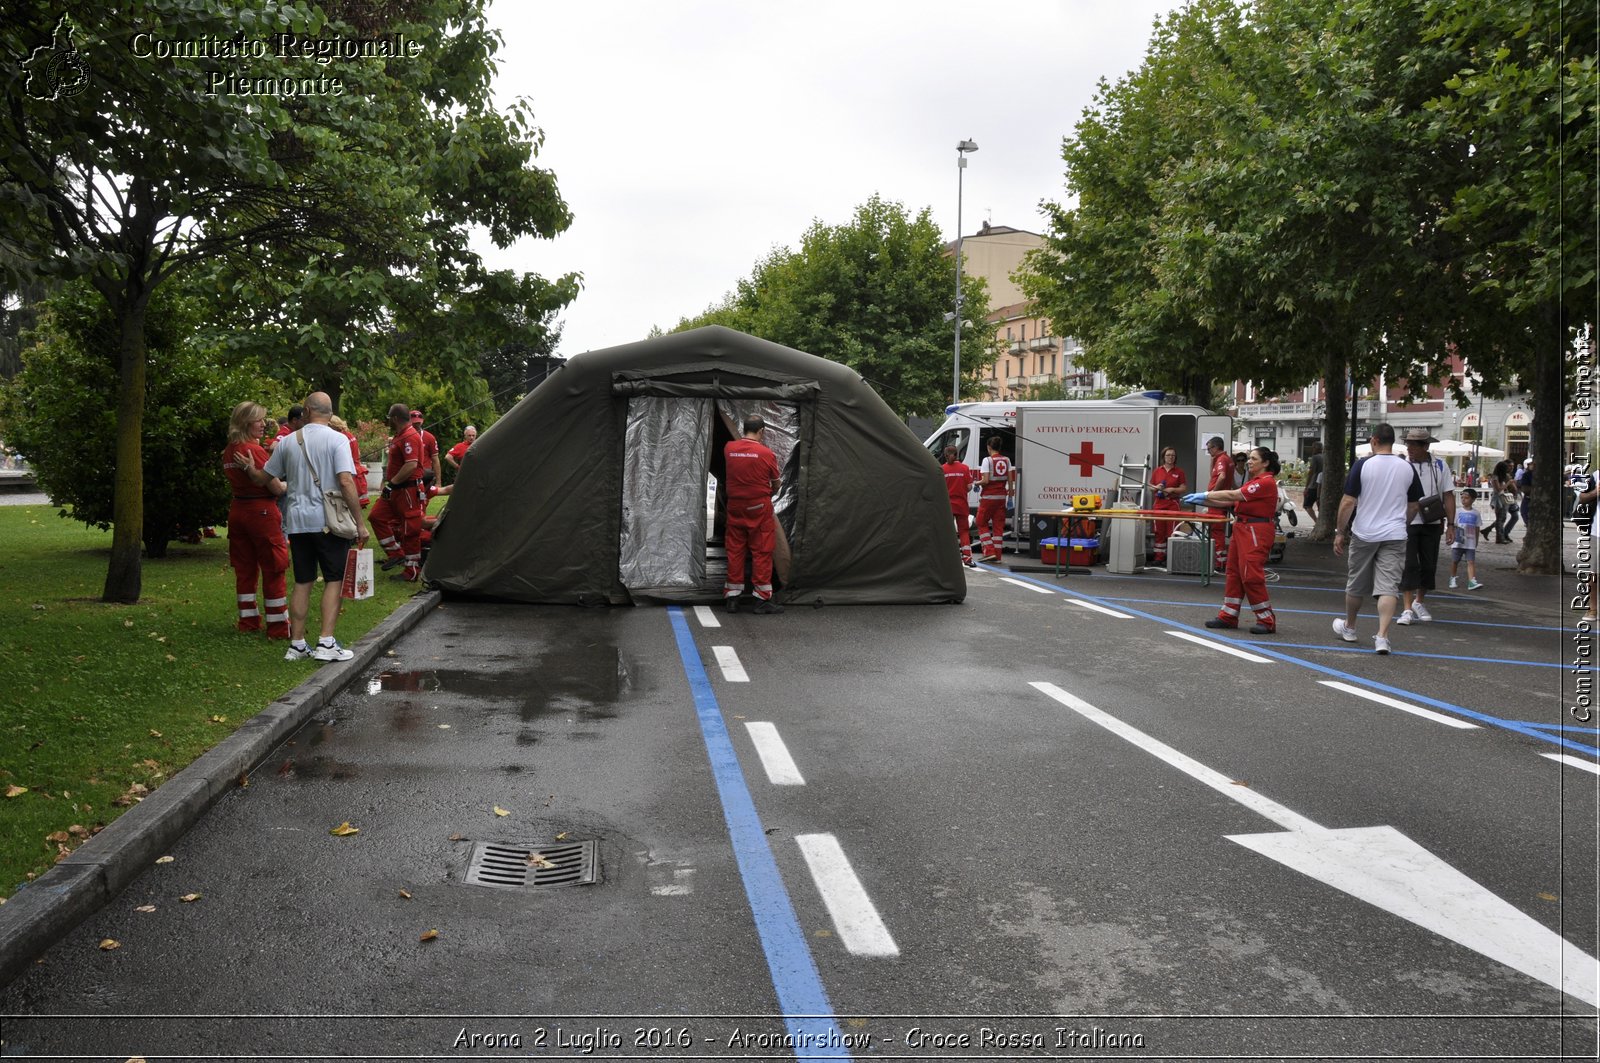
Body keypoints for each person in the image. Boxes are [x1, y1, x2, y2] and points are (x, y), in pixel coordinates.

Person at [246, 392, 367, 662]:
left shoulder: (288, 442)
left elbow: (264, 478)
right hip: (328, 522)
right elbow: (346, 482)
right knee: (333, 580)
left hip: (297, 523)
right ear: (329, 411)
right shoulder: (338, 440)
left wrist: (250, 469)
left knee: (303, 581)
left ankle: (297, 644)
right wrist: (360, 523)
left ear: (307, 411)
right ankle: (326, 642)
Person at [1332, 423, 1423, 655]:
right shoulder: (1406, 468)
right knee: (1388, 587)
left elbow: (1348, 502)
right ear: (1393, 442)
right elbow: (1414, 505)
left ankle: (1350, 627)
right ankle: (1382, 636)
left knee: (1356, 583)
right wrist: (1402, 524)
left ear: (1373, 441)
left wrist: (1340, 532)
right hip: (1395, 534)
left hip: (1365, 532)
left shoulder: (1362, 465)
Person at [1187, 447, 1280, 634]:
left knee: (1250, 574)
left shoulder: (1266, 482)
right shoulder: (1255, 481)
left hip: (1256, 531)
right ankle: (1228, 616)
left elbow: (1233, 495)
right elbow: (1230, 502)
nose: (1249, 461)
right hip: (1242, 528)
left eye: (1253, 458)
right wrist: (1203, 502)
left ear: (1265, 463)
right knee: (1234, 573)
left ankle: (1266, 619)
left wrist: (1205, 495)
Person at [221, 401, 289, 639]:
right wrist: (290, 484)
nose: (263, 424)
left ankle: (248, 621)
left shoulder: (230, 449)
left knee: (245, 569)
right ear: (245, 422)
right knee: (274, 567)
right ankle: (279, 626)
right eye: (258, 420)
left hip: (238, 510)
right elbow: (276, 488)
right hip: (261, 512)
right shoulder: (254, 450)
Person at [723, 415, 782, 614]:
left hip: (735, 507)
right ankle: (762, 599)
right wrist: (770, 493)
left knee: (735, 550)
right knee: (762, 551)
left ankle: (732, 597)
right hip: (758, 508)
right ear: (762, 431)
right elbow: (776, 482)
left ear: (744, 428)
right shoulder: (766, 453)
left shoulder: (729, 449)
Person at [1397, 428, 1455, 625]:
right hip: (1407, 521)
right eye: (1408, 443)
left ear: (1426, 446)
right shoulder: (1401, 465)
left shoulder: (1440, 466)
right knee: (1409, 564)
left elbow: (1448, 495)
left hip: (1432, 521)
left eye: (1414, 444)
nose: (1409, 448)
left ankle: (1418, 601)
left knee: (1429, 565)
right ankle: (1406, 608)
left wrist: (1451, 524)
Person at [369, 403, 425, 581]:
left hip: (407, 489)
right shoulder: (400, 436)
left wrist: (391, 484)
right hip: (395, 490)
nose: (388, 423)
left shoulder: (409, 436)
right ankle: (395, 554)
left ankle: (412, 571)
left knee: (410, 530)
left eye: (389, 420)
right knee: (376, 516)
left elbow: (411, 465)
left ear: (394, 419)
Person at [975, 435, 1014, 564]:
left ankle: (990, 551)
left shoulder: (987, 461)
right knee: (998, 527)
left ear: (989, 447)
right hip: (1001, 498)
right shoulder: (1007, 460)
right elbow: (1010, 481)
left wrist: (976, 483)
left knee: (981, 522)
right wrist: (1010, 498)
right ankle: (997, 556)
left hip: (988, 498)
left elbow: (985, 480)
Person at [941, 445, 979, 567]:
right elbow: (968, 487)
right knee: (964, 532)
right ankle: (967, 558)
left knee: (948, 532)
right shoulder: (965, 468)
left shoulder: (943, 469)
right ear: (957, 454)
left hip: (948, 506)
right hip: (962, 505)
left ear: (945, 455)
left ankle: (947, 558)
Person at [1149, 445, 1187, 566]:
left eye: (1173, 455)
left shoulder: (1179, 472)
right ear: (1163, 457)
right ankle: (1159, 557)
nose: (1170, 457)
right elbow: (1150, 487)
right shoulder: (1157, 471)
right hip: (1159, 504)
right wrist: (1156, 487)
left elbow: (1183, 488)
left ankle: (1171, 558)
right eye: (1168, 455)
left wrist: (1172, 489)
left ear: (1175, 458)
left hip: (1173, 504)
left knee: (1172, 531)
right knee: (1159, 531)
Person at [1205, 436, 1236, 570]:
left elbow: (1222, 476)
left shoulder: (1222, 460)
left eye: (1209, 448)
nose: (1208, 451)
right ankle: (1221, 560)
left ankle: (1220, 562)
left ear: (1216, 447)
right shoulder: (1227, 459)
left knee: (1216, 530)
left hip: (1216, 501)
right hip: (1221, 499)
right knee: (1218, 530)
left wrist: (1213, 493)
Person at [329, 415, 369, 510]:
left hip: (350, 474)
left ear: (332, 425)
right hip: (357, 473)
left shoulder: (340, 437)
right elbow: (358, 452)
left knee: (347, 510)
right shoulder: (349, 434)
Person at [1448, 488, 1484, 591]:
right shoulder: (1457, 511)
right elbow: (1453, 525)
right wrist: (1452, 536)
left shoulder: (1476, 513)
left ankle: (1472, 581)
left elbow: (1477, 528)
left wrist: (1476, 540)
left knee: (1471, 561)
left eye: (1466, 498)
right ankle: (1452, 578)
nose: (1464, 500)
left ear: (1472, 499)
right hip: (1458, 541)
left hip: (1470, 542)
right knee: (1455, 561)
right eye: (1462, 497)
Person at [412, 410, 442, 492]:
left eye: (418, 423)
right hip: (410, 474)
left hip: (425, 474)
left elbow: (435, 460)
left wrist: (438, 482)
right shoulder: (403, 437)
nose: (416, 425)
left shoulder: (429, 437)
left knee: (423, 499)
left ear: (422, 422)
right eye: (414, 422)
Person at [1490, 459, 1519, 542]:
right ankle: (1499, 537)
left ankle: (1500, 535)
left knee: (1502, 518)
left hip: (1503, 498)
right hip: (1498, 499)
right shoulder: (1495, 477)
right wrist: (1508, 483)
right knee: (1500, 519)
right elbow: (1498, 489)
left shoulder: (1501, 477)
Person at [1303, 442, 1324, 520]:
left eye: (1313, 448)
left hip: (1313, 485)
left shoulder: (1315, 458)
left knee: (1307, 505)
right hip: (1323, 485)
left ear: (1315, 448)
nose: (1312, 449)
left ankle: (1317, 521)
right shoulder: (1325, 457)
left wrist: (1306, 486)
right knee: (1320, 505)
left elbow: (1311, 472)